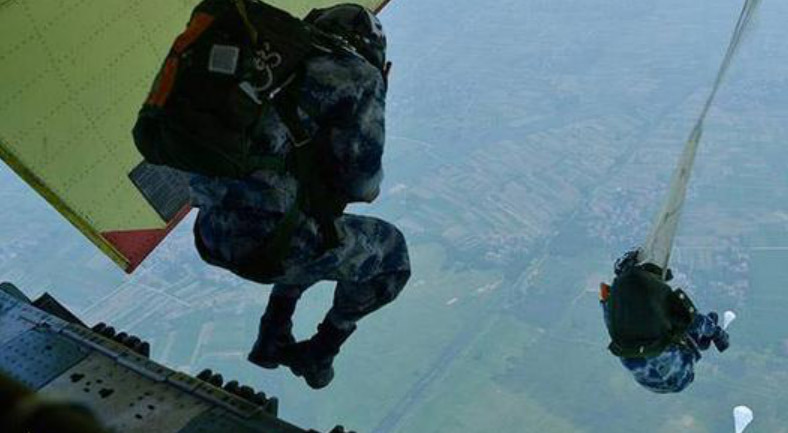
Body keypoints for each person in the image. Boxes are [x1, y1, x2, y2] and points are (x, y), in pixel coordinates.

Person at [189, 3, 411, 389]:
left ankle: (274, 330)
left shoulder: (273, 65)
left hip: (210, 233)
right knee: (391, 255)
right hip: (272, 247)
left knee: (308, 219)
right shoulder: (358, 76)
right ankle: (322, 350)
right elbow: (363, 185)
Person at [600, 250, 729, 393]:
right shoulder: (636, 349)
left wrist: (714, 332)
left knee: (678, 322)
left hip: (646, 344)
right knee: (675, 325)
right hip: (637, 349)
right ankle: (696, 340)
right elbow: (691, 321)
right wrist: (715, 332)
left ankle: (696, 340)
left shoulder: (674, 355)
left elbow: (691, 321)